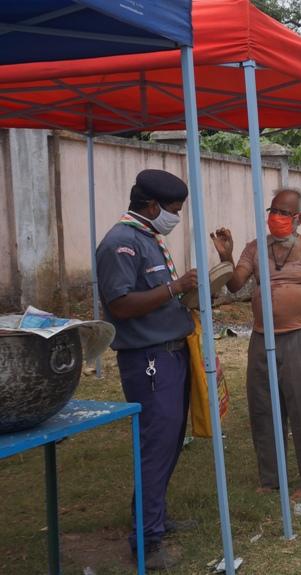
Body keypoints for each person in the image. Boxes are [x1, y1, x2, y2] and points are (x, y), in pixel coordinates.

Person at [95, 169, 199, 570]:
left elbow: (152, 296)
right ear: (152, 206)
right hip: (149, 358)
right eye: (173, 210)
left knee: (169, 442)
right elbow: (120, 305)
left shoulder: (149, 239)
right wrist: (174, 288)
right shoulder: (121, 244)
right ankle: (147, 540)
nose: (175, 217)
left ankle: (155, 516)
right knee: (155, 446)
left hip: (172, 352)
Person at [211, 188, 301, 501]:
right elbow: (236, 284)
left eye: (283, 213)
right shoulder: (255, 249)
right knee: (264, 409)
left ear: (298, 218)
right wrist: (227, 255)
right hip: (262, 337)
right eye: (273, 211)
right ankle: (271, 478)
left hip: (300, 338)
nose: (275, 218)